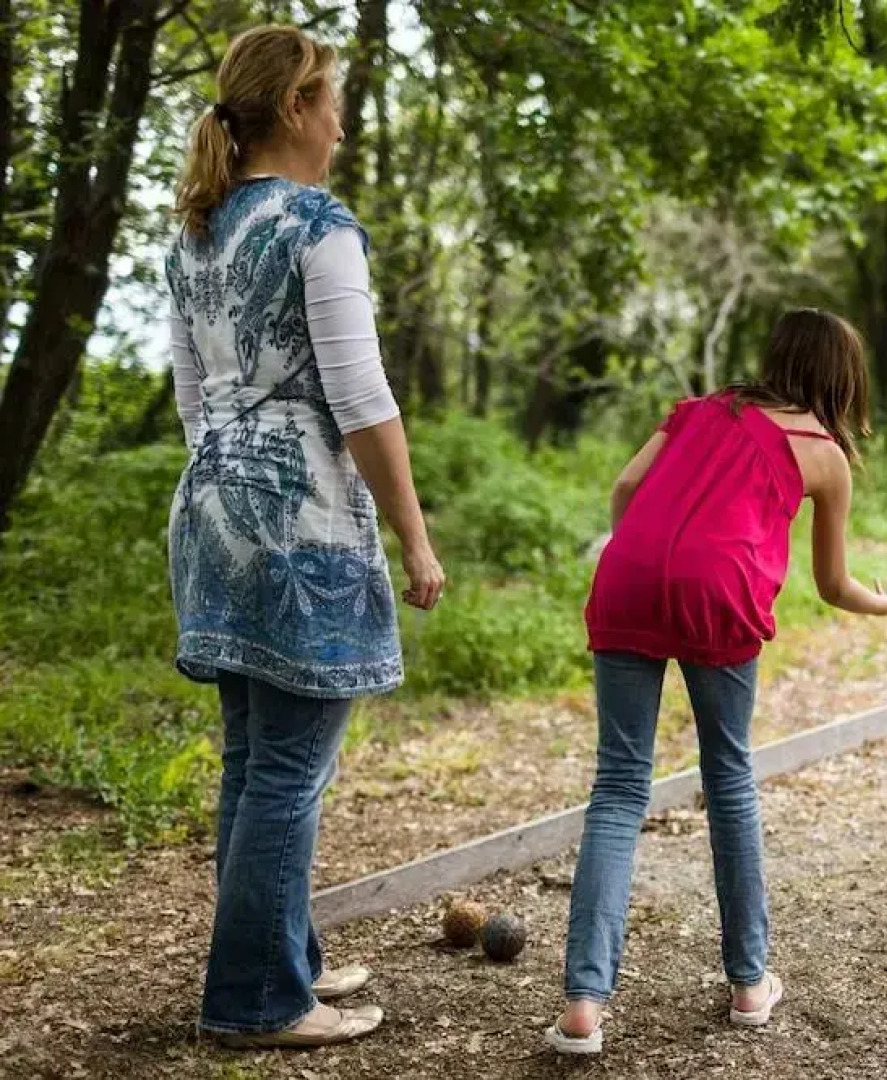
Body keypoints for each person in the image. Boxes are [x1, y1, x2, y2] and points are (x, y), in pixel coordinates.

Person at [166, 25, 444, 1049]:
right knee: (287, 767)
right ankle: (254, 999)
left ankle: (283, 959)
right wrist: (414, 537)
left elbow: (194, 401)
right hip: (302, 519)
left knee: (254, 758)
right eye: (330, 99)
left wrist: (231, 485)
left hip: (212, 510)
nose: (340, 119)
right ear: (293, 108)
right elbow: (361, 399)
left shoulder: (194, 231)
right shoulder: (317, 225)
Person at [546, 309, 887, 1055]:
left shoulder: (701, 409)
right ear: (844, 380)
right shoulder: (823, 454)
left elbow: (625, 489)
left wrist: (645, 557)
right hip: (720, 593)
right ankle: (750, 984)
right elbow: (834, 584)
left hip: (626, 578)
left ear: (775, 356)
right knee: (728, 777)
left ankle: (584, 1003)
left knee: (620, 786)